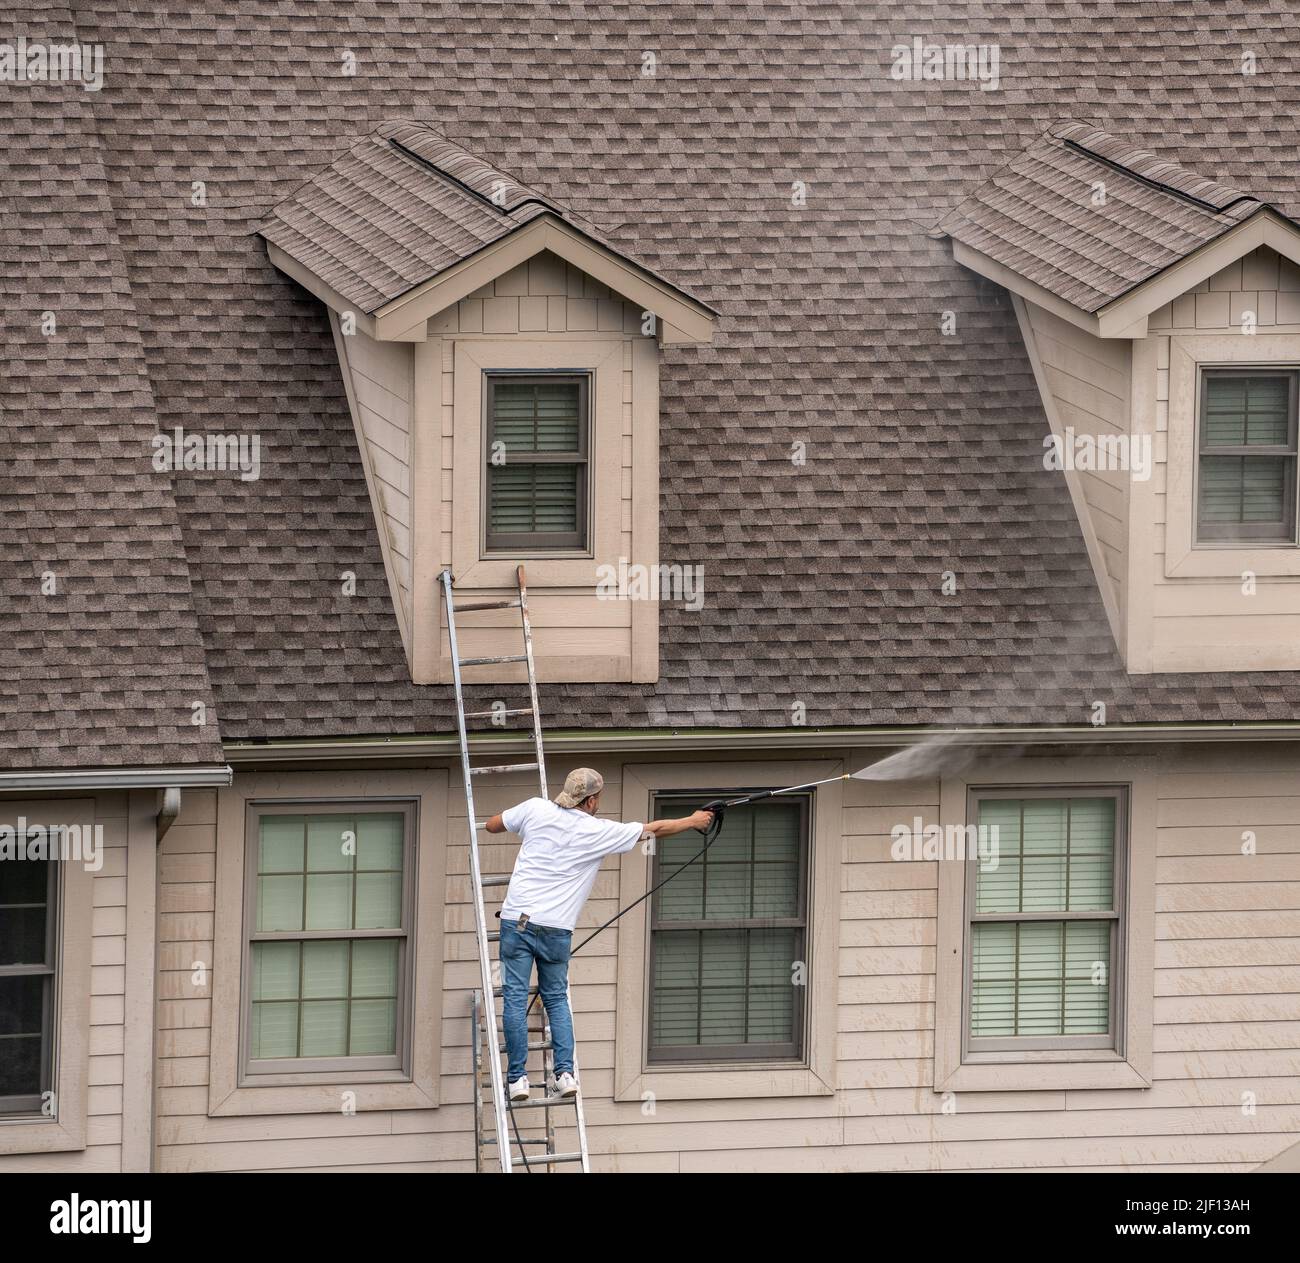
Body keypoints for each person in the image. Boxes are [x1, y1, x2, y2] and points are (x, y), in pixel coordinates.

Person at [484, 768, 713, 1101]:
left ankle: (517, 1080)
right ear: (591, 800)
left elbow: (492, 825)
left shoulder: (535, 808)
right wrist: (694, 820)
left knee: (516, 1000)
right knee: (556, 999)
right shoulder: (598, 831)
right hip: (556, 930)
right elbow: (655, 830)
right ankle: (564, 1075)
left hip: (517, 921)